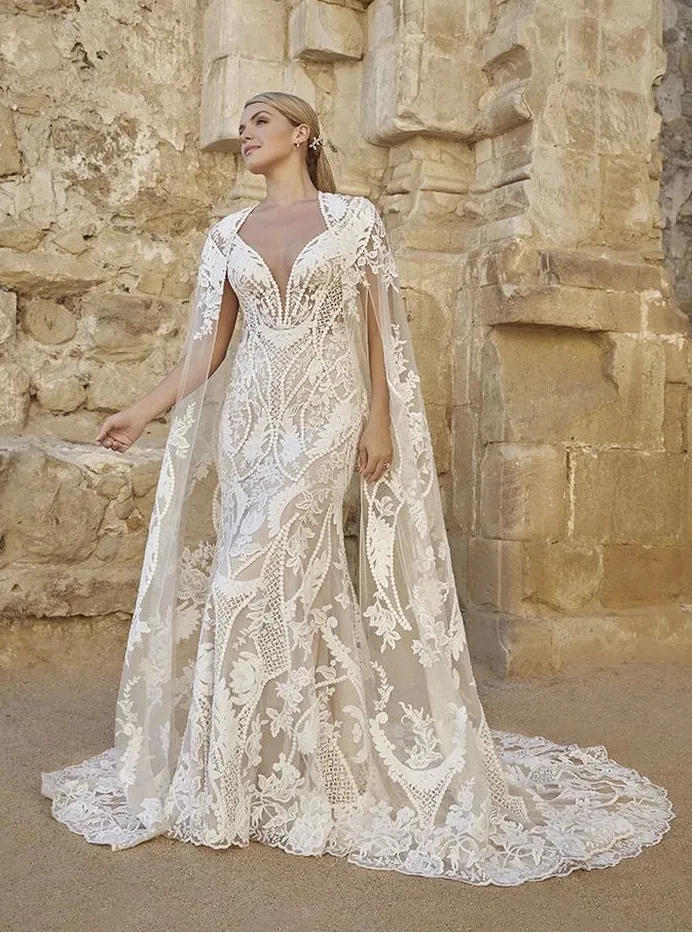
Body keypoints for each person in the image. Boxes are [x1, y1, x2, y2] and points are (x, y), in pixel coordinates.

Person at [41, 91, 674, 884]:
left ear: (300, 135)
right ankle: (284, 768)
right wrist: (141, 411)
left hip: (324, 415)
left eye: (260, 122)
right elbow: (208, 346)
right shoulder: (224, 235)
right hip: (250, 427)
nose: (245, 134)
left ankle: (241, 777)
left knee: (243, 584)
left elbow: (379, 332)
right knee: (287, 589)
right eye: (242, 126)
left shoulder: (354, 220)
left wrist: (379, 420)